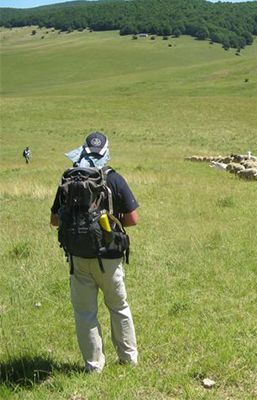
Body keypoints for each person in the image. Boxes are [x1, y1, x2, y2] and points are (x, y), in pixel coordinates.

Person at [50, 131, 139, 373]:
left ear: (82, 150)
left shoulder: (69, 180)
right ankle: (128, 359)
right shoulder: (114, 178)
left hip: (78, 257)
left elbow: (55, 220)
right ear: (106, 151)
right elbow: (133, 219)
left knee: (85, 313)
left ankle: (93, 365)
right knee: (118, 307)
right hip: (109, 256)